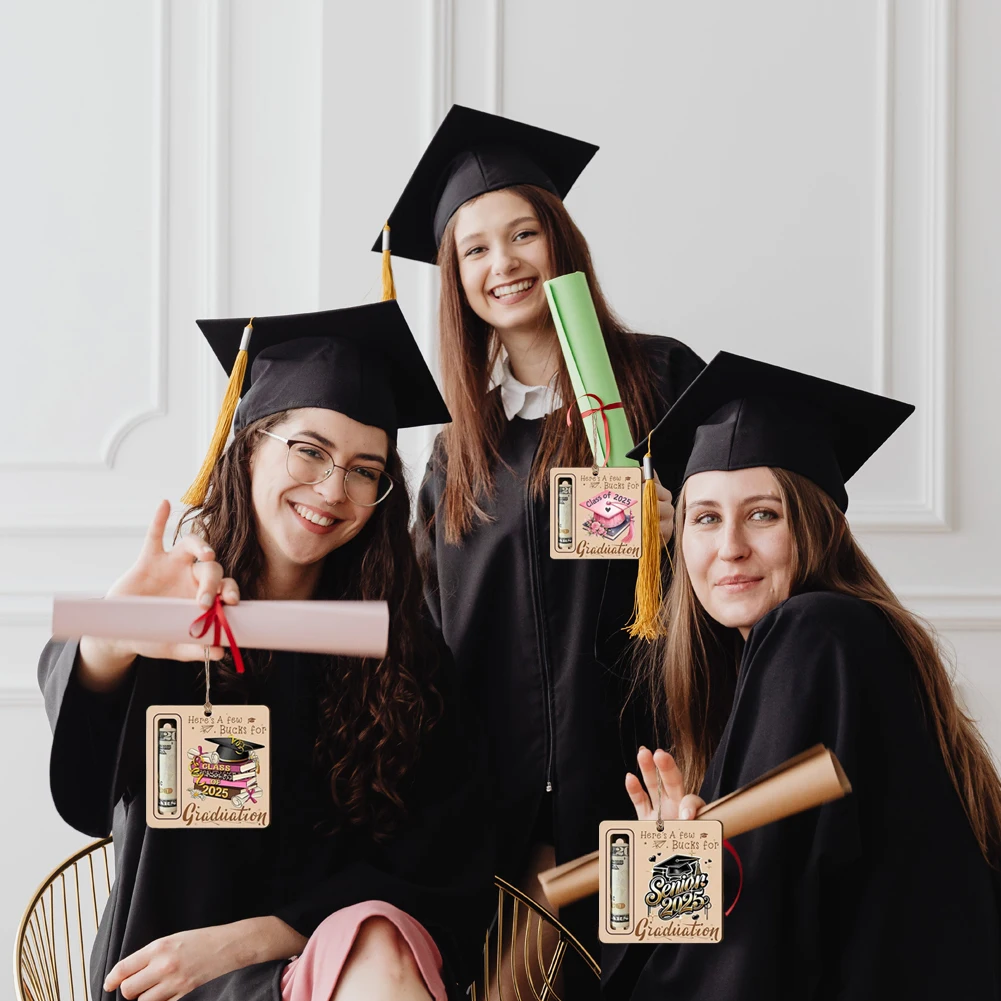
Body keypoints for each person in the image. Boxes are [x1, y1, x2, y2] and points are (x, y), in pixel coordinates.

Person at [38, 303, 495, 1001]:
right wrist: (113, 636)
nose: (332, 490)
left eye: (365, 470)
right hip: (171, 981)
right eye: (309, 450)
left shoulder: (403, 653)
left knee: (376, 942)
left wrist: (251, 939)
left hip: (339, 970)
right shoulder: (179, 615)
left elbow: (442, 866)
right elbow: (85, 790)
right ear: (249, 445)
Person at [376, 105, 705, 973]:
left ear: (560, 241)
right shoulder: (457, 453)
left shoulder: (662, 380)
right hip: (506, 811)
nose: (504, 263)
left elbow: (760, 542)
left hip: (655, 779)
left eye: (522, 233)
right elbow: (427, 631)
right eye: (474, 249)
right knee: (515, 983)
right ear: (455, 279)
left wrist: (687, 527)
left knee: (668, 977)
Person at [605, 351, 1001, 999]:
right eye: (705, 517)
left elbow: (756, 934)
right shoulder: (842, 643)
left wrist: (675, 872)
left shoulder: (815, 633)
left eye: (763, 513)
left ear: (816, 525)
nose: (730, 546)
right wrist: (678, 862)